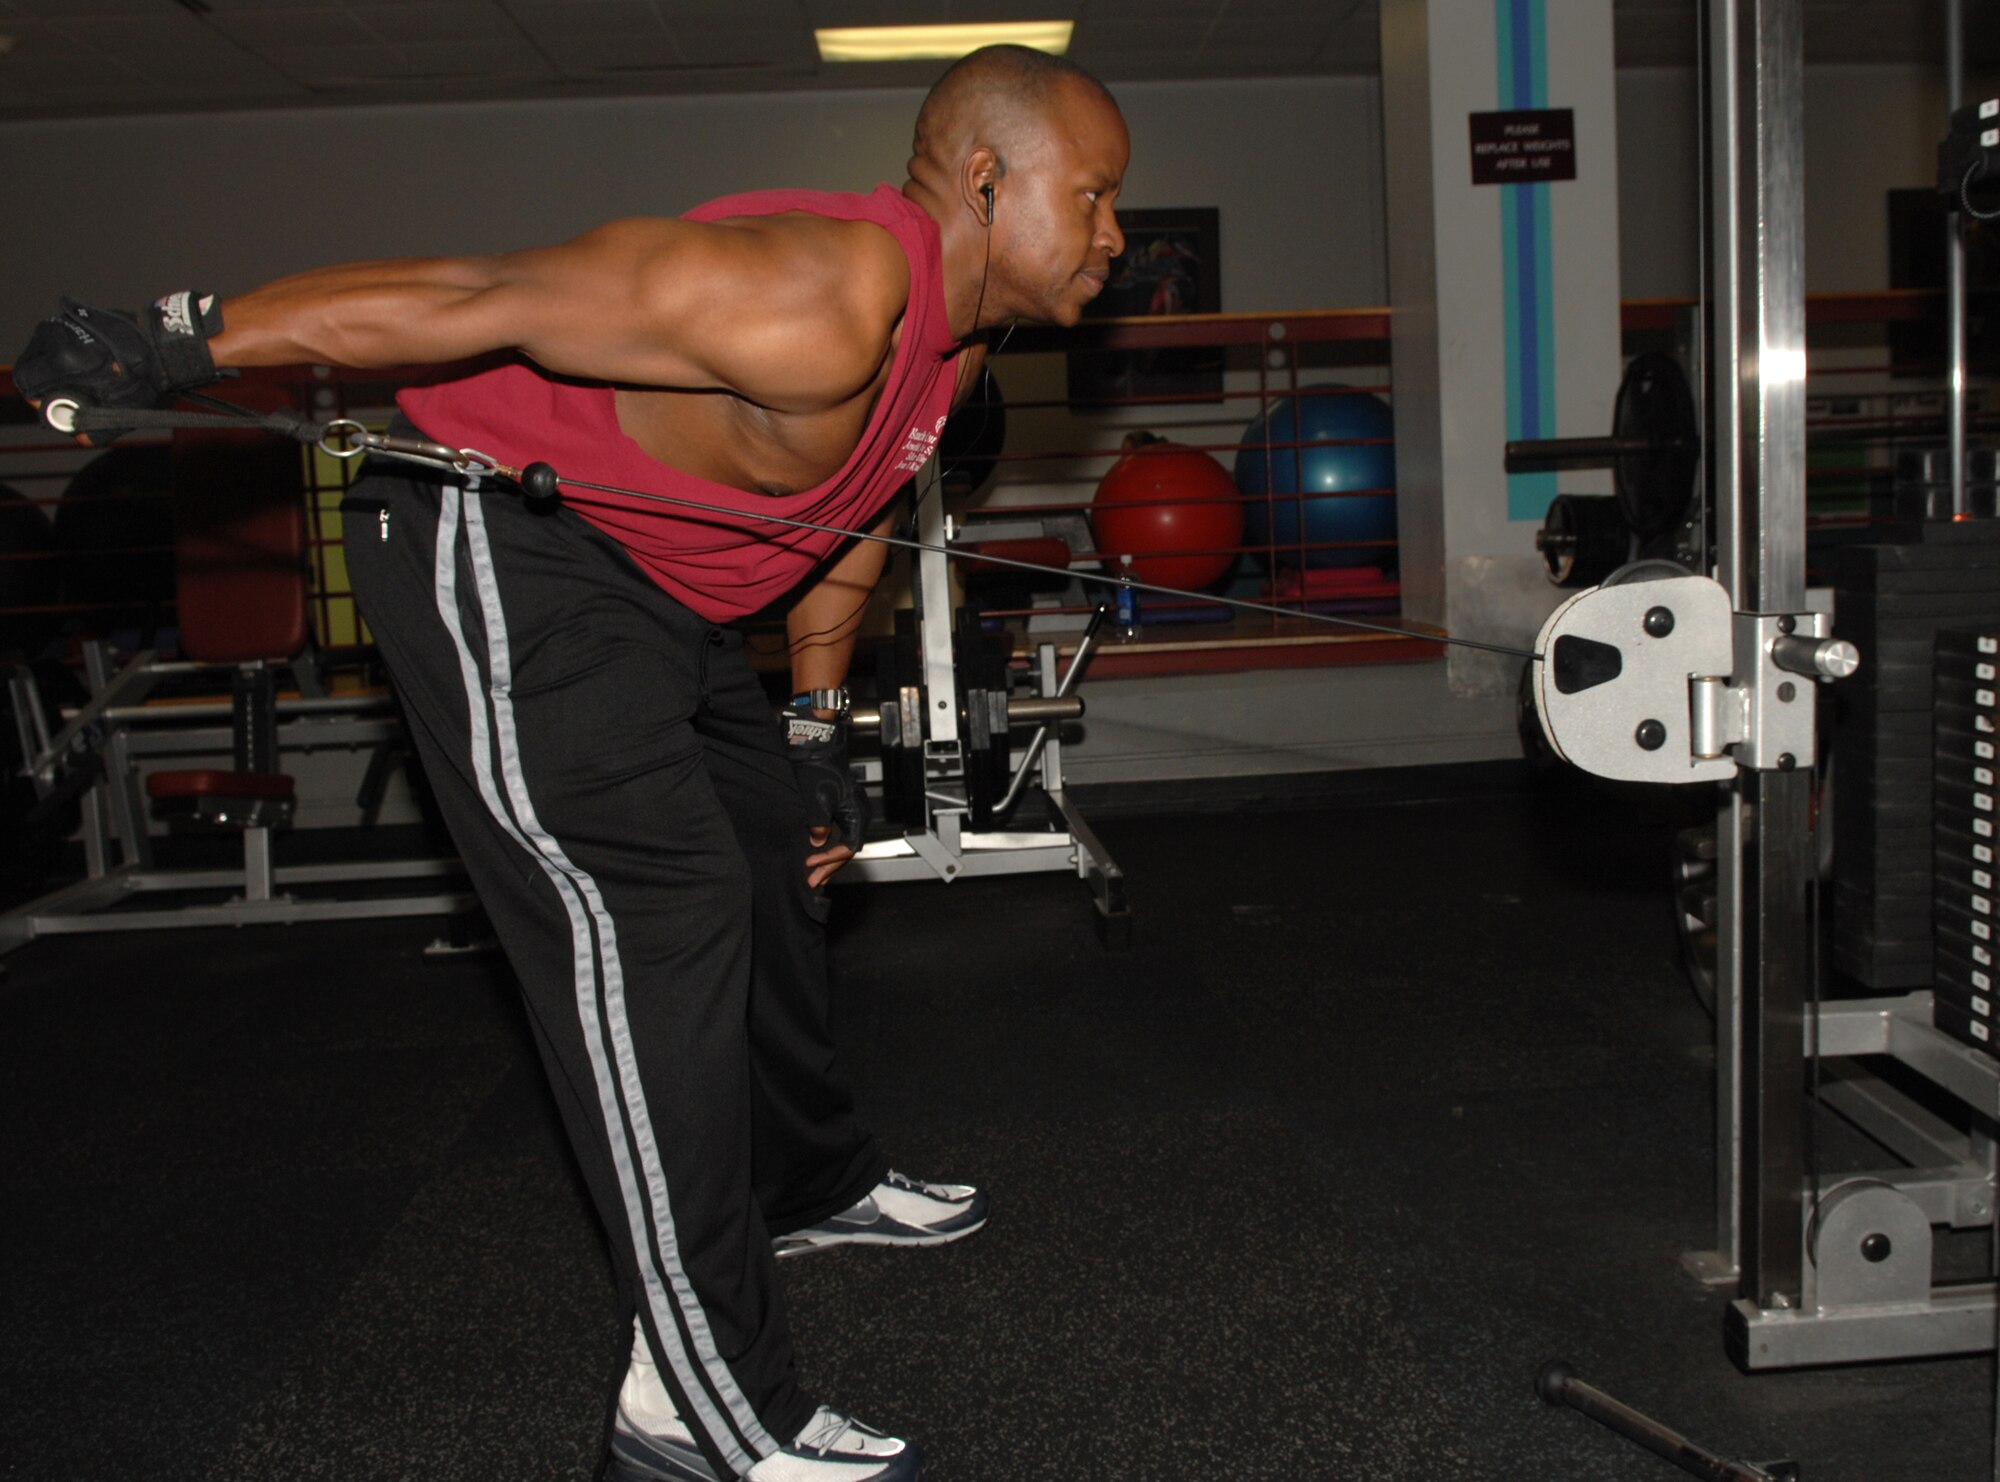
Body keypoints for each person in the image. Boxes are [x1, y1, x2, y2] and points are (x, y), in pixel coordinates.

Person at [11, 42, 1129, 1482]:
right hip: (495, 540)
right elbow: (487, 294)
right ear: (986, 180)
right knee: (658, 913)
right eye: (1094, 196)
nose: (1113, 233)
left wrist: (808, 734)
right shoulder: (825, 290)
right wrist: (176, 334)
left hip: (663, 587)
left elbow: (853, 522)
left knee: (772, 865)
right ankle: (698, 1404)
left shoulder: (959, 347)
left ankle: (802, 1177)